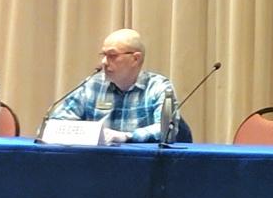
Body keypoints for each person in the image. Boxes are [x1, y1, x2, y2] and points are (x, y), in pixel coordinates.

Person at [50, 28, 191, 144]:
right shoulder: (92, 85)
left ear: (135, 59)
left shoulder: (158, 87)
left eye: (112, 55)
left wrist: (127, 137)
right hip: (95, 166)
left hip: (143, 168)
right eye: (103, 55)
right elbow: (56, 123)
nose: (104, 62)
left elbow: (167, 130)